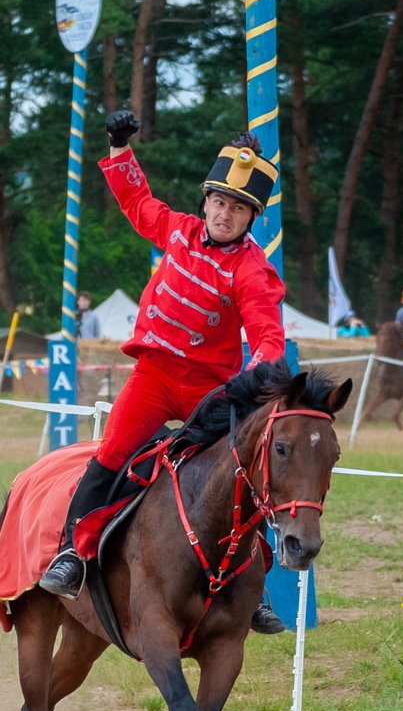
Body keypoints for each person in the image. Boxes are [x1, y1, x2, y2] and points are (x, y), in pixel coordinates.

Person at [37, 110, 289, 636]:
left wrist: (260, 374)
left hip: (210, 393)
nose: (225, 214)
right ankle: (73, 556)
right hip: (153, 379)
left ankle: (256, 587)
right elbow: (136, 202)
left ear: (251, 217)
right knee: (108, 456)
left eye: (238, 207)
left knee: (242, 474)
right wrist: (119, 147)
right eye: (220, 202)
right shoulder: (176, 230)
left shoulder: (251, 270)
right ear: (206, 202)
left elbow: (267, 334)